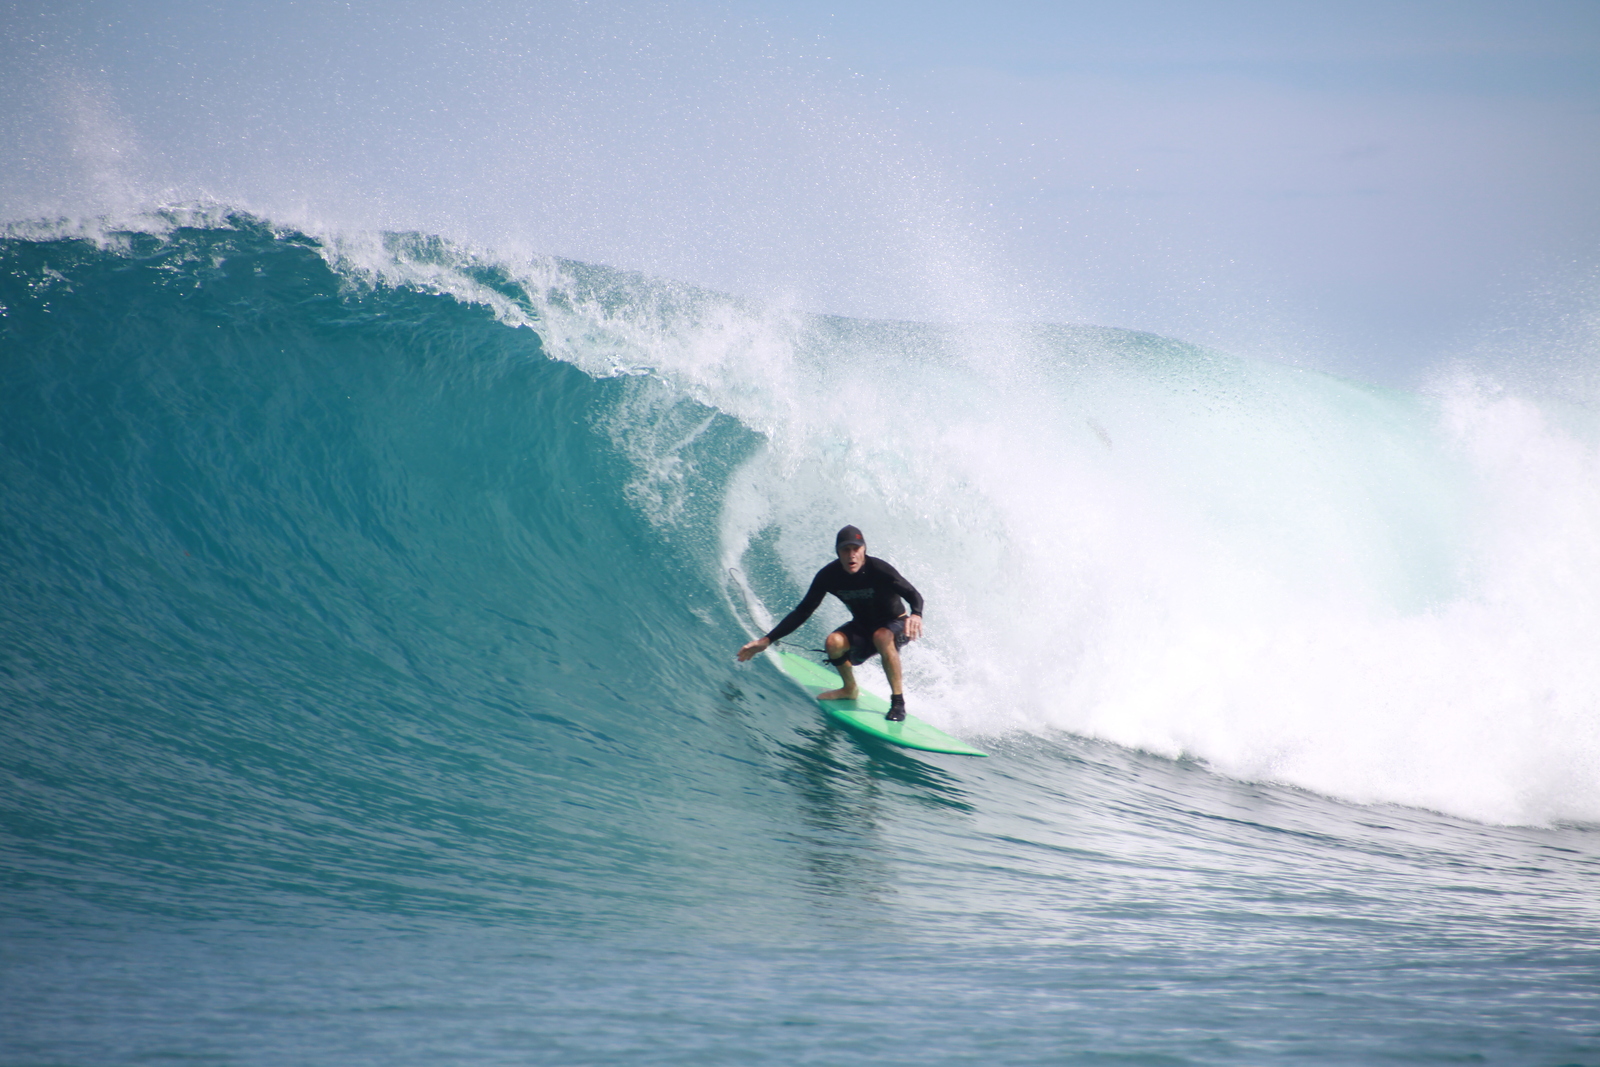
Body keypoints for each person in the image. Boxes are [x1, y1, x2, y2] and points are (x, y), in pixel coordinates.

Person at [737, 525, 924, 721]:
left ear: (864, 549)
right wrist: (768, 639)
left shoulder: (879, 570)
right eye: (845, 550)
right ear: (837, 552)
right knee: (833, 642)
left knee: (882, 635)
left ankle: (898, 703)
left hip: (896, 623)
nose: (851, 555)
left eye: (856, 549)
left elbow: (913, 594)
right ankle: (849, 688)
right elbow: (803, 611)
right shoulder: (828, 576)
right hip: (863, 626)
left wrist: (916, 614)